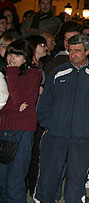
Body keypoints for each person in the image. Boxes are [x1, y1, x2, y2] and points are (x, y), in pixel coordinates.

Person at [35, 34, 89, 203]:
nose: (73, 55)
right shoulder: (58, 73)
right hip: (55, 136)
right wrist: (49, 124)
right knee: (47, 180)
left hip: (81, 138)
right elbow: (45, 102)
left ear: (88, 51)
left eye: (78, 51)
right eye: (70, 51)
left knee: (76, 183)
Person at [0, 40, 41, 203]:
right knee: (2, 184)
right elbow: (7, 106)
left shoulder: (33, 74)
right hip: (3, 128)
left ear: (26, 57)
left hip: (22, 130)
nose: (12, 58)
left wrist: (11, 73)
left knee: (14, 184)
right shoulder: (3, 74)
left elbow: (17, 99)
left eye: (17, 54)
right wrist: (12, 107)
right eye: (10, 53)